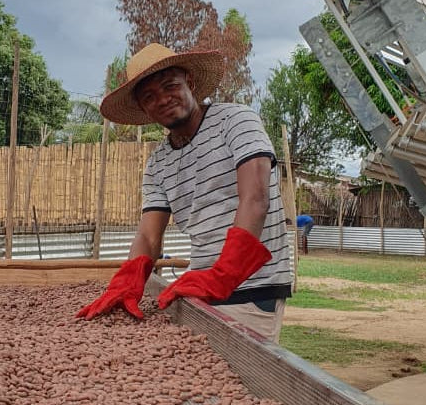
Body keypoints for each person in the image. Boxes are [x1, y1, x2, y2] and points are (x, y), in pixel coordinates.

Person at [76, 43, 291, 338]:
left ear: (190, 83)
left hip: (251, 286)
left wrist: (223, 274)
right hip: (199, 287)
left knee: (239, 374)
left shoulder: (236, 121)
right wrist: (129, 280)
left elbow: (256, 199)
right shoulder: (158, 163)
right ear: (143, 108)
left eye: (169, 86)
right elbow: (148, 235)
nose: (162, 99)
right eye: (150, 97)